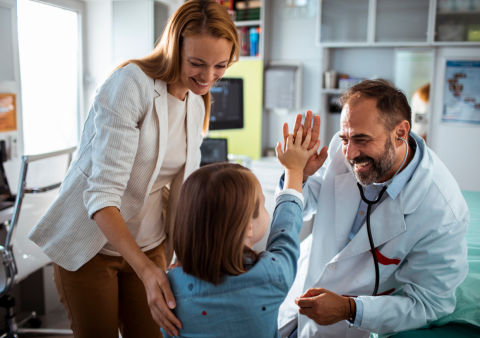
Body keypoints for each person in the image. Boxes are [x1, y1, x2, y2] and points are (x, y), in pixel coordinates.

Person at [27, 1, 239, 337]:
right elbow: (102, 195)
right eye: (197, 63)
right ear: (174, 47)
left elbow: (181, 192)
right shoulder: (131, 84)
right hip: (92, 247)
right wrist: (146, 270)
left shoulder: (196, 103)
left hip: (151, 242)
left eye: (220, 66)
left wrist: (183, 252)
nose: (208, 77)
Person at [277, 79, 469, 338]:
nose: (349, 153)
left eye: (361, 140)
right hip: (298, 291)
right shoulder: (342, 147)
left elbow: (430, 304)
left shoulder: (442, 212)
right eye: (345, 138)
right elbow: (306, 206)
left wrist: (350, 309)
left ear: (400, 133)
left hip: (350, 326)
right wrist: (298, 173)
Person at [162, 127, 321, 338]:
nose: (266, 210)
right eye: (263, 205)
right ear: (248, 228)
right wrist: (294, 169)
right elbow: (286, 229)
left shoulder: (167, 290)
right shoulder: (273, 276)